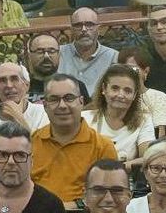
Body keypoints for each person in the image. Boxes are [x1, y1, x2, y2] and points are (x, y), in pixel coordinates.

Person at [29, 75, 118, 205]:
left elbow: (110, 195)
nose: (62, 105)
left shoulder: (102, 147)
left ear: (81, 102)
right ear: (45, 105)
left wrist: (73, 206)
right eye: (54, 99)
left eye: (69, 98)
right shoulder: (30, 143)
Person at [88, 65, 157, 169]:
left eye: (127, 91)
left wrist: (122, 167)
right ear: (104, 89)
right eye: (115, 88)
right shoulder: (84, 119)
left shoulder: (144, 120)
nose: (120, 95)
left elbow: (148, 157)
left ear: (134, 95)